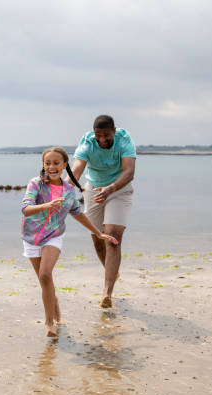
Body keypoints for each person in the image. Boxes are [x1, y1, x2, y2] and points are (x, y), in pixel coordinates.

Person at [22, 147, 118, 337]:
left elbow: (78, 213)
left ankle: (49, 324)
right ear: (43, 165)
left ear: (65, 165)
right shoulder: (36, 184)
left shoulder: (67, 190)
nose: (52, 166)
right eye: (48, 163)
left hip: (54, 235)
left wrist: (98, 233)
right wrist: (46, 206)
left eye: (56, 163)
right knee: (45, 282)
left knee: (45, 275)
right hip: (31, 237)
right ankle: (53, 302)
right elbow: (26, 208)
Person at [69, 115, 136, 308]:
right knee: (98, 237)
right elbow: (77, 169)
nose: (102, 140)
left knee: (112, 236)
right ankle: (112, 271)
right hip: (94, 190)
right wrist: (64, 187)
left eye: (106, 135)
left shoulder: (124, 140)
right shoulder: (88, 142)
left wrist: (110, 189)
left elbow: (129, 171)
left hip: (119, 191)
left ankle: (107, 293)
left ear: (114, 131)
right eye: (99, 135)